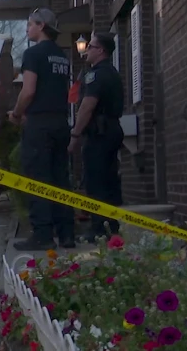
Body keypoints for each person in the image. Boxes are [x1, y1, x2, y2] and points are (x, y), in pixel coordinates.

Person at [9, 8, 75, 251]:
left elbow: (28, 91)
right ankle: (67, 233)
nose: (27, 29)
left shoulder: (33, 54)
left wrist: (16, 114)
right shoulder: (61, 56)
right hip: (60, 122)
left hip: (39, 124)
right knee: (60, 178)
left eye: (30, 24)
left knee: (37, 178)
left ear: (41, 26)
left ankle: (43, 234)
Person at [68, 32, 124, 243]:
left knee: (96, 181)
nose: (87, 50)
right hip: (111, 130)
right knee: (109, 180)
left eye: (90, 46)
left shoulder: (96, 75)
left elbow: (87, 107)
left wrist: (75, 134)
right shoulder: (112, 72)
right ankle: (112, 226)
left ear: (100, 50)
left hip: (99, 133)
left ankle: (98, 228)